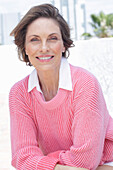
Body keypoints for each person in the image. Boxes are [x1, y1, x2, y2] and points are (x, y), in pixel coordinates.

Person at [9, 3, 113, 170]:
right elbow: (21, 157)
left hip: (105, 163)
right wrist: (52, 165)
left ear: (64, 45)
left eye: (52, 38)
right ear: (25, 47)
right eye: (34, 40)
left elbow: (85, 161)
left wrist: (40, 162)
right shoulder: (19, 93)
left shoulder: (84, 83)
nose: (44, 48)